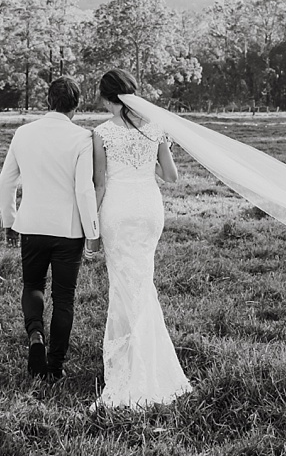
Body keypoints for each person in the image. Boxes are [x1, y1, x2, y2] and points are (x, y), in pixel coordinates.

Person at [90, 68, 193, 409]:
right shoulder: (155, 128)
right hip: (149, 210)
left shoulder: (101, 133)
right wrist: (152, 162)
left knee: (123, 285)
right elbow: (171, 176)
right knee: (142, 281)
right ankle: (149, 359)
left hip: (117, 211)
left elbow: (100, 184)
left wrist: (91, 228)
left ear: (106, 98)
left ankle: (132, 364)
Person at [0, 76, 99, 381]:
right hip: (69, 230)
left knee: (33, 285)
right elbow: (84, 189)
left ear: (47, 101)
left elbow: (6, 182)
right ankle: (55, 366)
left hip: (32, 225)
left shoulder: (23, 133)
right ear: (77, 105)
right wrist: (92, 231)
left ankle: (35, 335)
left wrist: (9, 222)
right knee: (64, 297)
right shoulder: (83, 138)